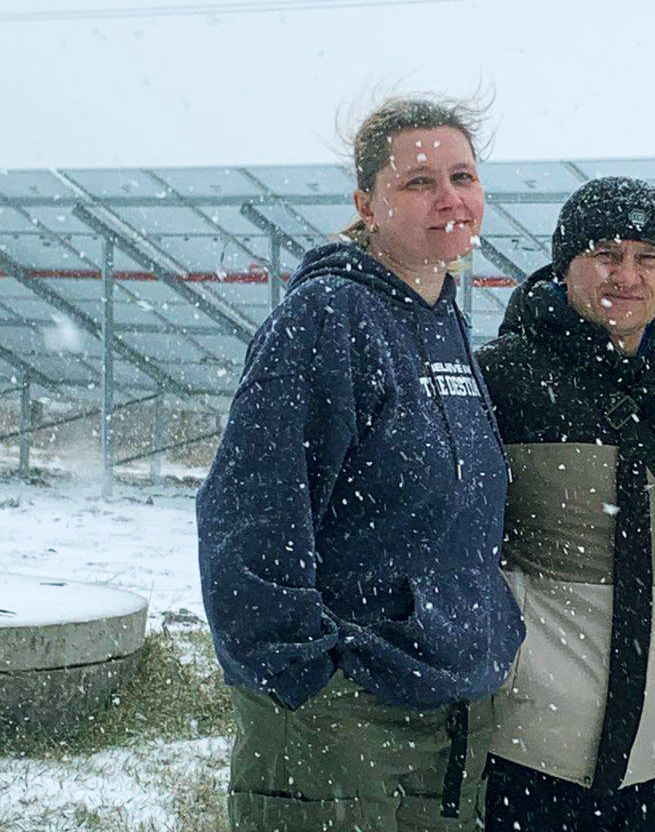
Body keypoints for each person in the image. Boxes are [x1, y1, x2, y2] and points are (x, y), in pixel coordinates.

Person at [197, 96, 524, 832]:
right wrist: (301, 675)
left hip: (445, 707)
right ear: (366, 205)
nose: (450, 199)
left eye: (463, 177)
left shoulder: (442, 320)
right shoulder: (328, 317)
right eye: (419, 182)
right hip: (345, 717)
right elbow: (252, 510)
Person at [475, 176, 655, 832]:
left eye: (648, 258)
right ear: (565, 265)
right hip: (524, 758)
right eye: (606, 254)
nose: (627, 276)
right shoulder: (502, 379)